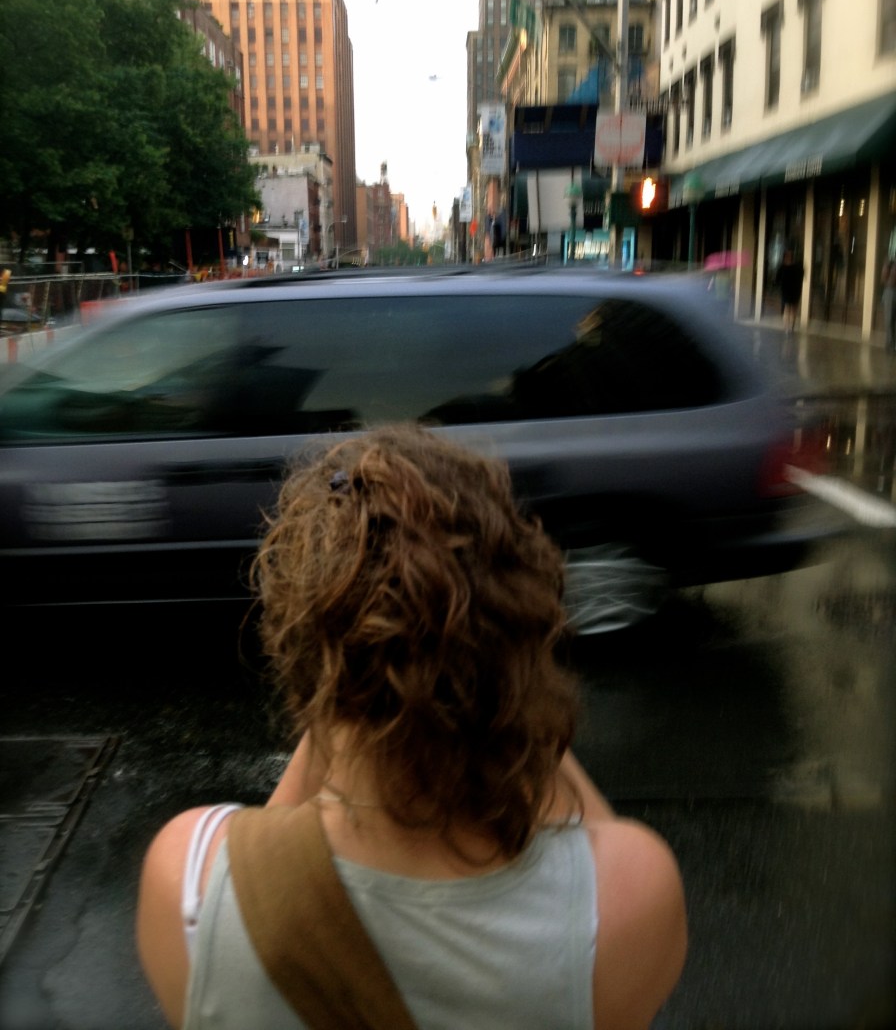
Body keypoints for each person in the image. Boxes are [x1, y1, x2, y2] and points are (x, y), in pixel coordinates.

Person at [136, 424, 687, 1030]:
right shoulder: (632, 894)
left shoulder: (187, 882)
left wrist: (337, 695)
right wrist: (512, 687)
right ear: (524, 632)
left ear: (302, 651)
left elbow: (271, 846)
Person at [776, 249, 804, 333]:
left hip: (788, 291)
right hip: (793, 291)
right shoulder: (797, 267)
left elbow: (777, 280)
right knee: (791, 309)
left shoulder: (782, 267)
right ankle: (790, 327)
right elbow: (802, 277)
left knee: (788, 309)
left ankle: (787, 328)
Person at [881, 255, 896, 353]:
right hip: (890, 291)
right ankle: (890, 345)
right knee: (889, 319)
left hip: (891, 291)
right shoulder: (890, 263)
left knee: (891, 320)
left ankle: (891, 345)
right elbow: (883, 279)